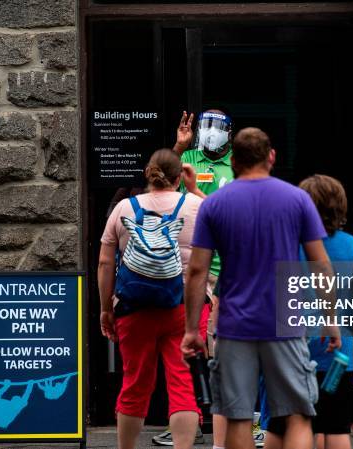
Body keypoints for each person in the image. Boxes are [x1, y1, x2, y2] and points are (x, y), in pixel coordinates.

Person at [181, 128, 340, 449]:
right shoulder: (297, 199)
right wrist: (330, 318)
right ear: (272, 157)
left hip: (233, 324)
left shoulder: (214, 205)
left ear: (234, 161)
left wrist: (191, 329)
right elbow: (321, 264)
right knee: (297, 413)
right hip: (284, 322)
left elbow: (197, 271)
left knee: (238, 415)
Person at [98, 149, 208, 449]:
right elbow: (227, 226)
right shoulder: (196, 206)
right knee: (183, 384)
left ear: (148, 173)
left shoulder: (123, 209)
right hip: (184, 307)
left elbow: (106, 264)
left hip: (133, 307)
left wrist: (106, 309)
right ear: (177, 177)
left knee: (134, 383)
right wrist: (195, 188)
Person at [154, 109, 244, 448]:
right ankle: (184, 422)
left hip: (224, 270)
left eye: (218, 127)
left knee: (223, 350)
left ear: (230, 133)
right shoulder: (188, 157)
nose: (209, 132)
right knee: (184, 350)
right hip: (186, 268)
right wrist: (178, 146)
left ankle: (240, 423)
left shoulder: (238, 164)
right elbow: (160, 178)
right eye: (205, 125)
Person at [264, 174, 353, 449]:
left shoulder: (287, 244)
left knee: (281, 424)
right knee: (336, 426)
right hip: (337, 352)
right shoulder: (352, 246)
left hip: (289, 347)